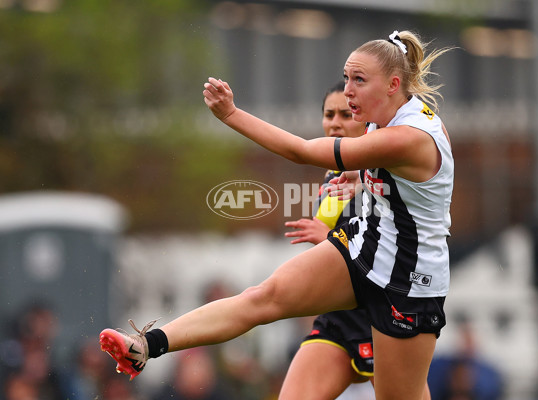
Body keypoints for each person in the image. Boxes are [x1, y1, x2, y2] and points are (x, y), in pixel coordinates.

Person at [99, 30, 453, 400]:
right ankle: (146, 345)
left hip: (408, 282)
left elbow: (301, 151)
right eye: (346, 78)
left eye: (358, 80)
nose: (347, 91)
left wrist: (232, 115)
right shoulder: (381, 119)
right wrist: (358, 179)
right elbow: (401, 179)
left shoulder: (410, 135)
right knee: (264, 296)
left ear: (394, 84)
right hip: (366, 248)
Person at [280, 80, 375, 399]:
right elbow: (329, 235)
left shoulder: (388, 171)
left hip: (386, 319)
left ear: (366, 120)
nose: (334, 123)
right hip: (340, 317)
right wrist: (326, 237)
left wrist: (331, 237)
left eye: (345, 115)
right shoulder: (332, 175)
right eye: (328, 114)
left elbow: (392, 245)